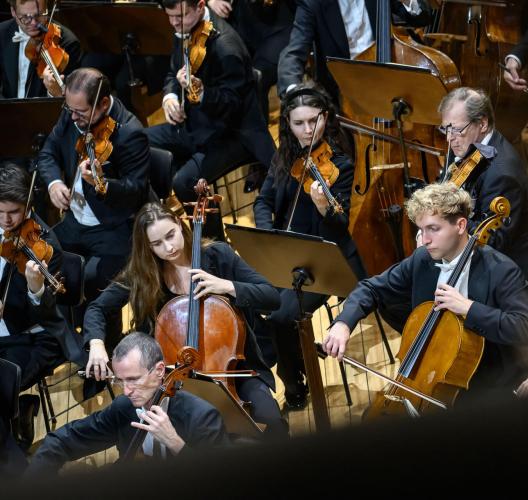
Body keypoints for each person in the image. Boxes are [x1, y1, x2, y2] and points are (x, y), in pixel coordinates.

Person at [82, 202, 287, 437]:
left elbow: (272, 297)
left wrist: (227, 286)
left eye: (171, 235)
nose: (168, 247)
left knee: (275, 428)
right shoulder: (144, 275)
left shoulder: (218, 255)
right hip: (176, 383)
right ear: (147, 247)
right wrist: (96, 343)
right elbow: (97, 308)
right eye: (157, 244)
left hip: (234, 373)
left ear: (180, 225)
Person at [323, 183, 528, 398]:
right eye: (421, 230)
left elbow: (526, 328)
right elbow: (370, 288)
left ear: (461, 225)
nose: (424, 240)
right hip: (433, 373)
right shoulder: (423, 258)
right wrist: (343, 323)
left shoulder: (500, 270)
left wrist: (469, 308)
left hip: (492, 381)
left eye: (433, 229)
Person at [253, 83, 366, 409]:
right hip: (286, 254)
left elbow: (340, 227)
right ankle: (289, 357)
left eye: (314, 121)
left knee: (281, 316)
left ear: (326, 117)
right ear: (287, 122)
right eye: (299, 123)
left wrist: (323, 207)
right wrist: (267, 237)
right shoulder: (285, 154)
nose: (307, 130)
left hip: (327, 259)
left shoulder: (341, 163)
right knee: (247, 299)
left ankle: (294, 383)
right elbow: (263, 202)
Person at [36, 67, 150, 347]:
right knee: (44, 264)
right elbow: (48, 152)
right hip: (76, 220)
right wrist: (53, 185)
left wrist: (105, 185)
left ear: (102, 103)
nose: (73, 117)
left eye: (81, 112)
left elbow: (136, 191)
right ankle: (66, 345)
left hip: (114, 227)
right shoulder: (73, 115)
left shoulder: (130, 133)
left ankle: (104, 350)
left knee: (90, 283)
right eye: (69, 109)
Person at [146, 0, 276, 232]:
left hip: (231, 134)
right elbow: (172, 71)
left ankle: (213, 243)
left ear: (200, 6)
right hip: (196, 124)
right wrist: (171, 98)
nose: (175, 23)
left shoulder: (226, 46)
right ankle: (154, 224)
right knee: (137, 142)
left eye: (180, 16)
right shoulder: (185, 30)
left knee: (185, 182)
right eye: (170, 17)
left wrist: (203, 93)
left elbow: (233, 106)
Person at [26, 332, 229, 474]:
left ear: (159, 371)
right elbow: (61, 441)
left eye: (133, 379)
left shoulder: (202, 417)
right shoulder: (125, 407)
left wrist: (175, 442)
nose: (126, 391)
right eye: (120, 381)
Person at [437, 87, 528, 293]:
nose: (449, 138)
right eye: (445, 129)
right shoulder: (470, 144)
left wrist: (443, 229)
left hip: (516, 279)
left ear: (482, 123)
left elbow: (491, 242)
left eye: (456, 129)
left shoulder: (502, 174)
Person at [0, 165, 85, 449]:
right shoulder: (1, 223)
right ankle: (18, 413)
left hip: (33, 336)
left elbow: (45, 314)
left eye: (12, 212)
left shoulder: (47, 248)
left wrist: (36, 289)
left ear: (28, 204)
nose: (5, 220)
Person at [277, 0, 432, 100]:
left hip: (387, 76)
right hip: (344, 88)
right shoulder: (313, 3)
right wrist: (293, 91)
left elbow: (422, 18)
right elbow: (295, 51)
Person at [0, 0, 81, 99]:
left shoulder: (67, 43)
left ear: (46, 9)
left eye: (39, 15)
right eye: (25, 17)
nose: (34, 23)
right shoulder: (2, 33)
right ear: (13, 12)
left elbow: (72, 102)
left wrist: (54, 92)